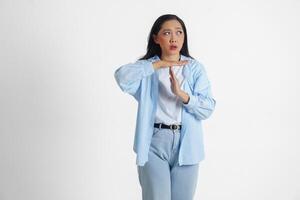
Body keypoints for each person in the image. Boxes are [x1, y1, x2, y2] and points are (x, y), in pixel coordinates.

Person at [114, 14, 216, 200]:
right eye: (167, 33)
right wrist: (157, 64)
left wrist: (182, 95)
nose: (173, 38)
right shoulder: (147, 69)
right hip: (153, 142)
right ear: (156, 38)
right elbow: (121, 77)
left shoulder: (195, 68)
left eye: (179, 33)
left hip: (187, 145)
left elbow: (208, 107)